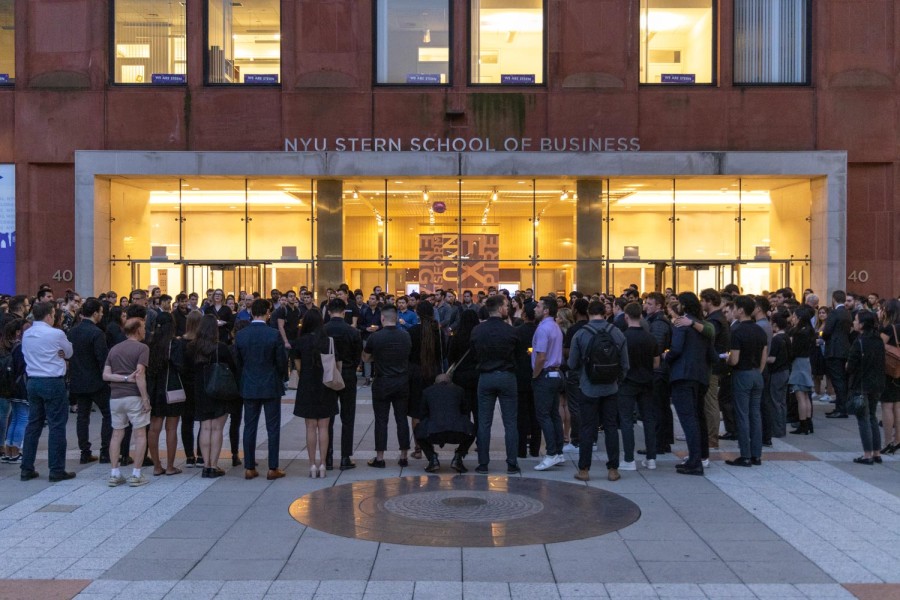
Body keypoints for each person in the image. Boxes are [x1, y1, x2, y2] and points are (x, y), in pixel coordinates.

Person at [568, 300, 629, 482]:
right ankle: (612, 469)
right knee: (610, 427)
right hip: (611, 387)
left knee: (587, 427)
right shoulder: (616, 332)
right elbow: (625, 364)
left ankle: (584, 469)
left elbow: (572, 363)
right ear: (605, 312)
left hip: (588, 387)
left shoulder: (580, 334)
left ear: (588, 312)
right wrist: (617, 380)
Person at [20, 302, 75, 482]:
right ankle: (56, 469)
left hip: (33, 380)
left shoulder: (27, 333)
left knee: (33, 424)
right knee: (56, 425)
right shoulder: (56, 333)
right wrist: (60, 353)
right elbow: (68, 352)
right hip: (52, 380)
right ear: (49, 315)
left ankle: (26, 467)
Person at [234, 299, 287, 480]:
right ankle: (273, 467)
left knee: (249, 426)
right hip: (271, 384)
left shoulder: (241, 335)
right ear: (267, 313)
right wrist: (281, 377)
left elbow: (238, 361)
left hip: (249, 384)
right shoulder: (273, 334)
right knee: (273, 427)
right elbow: (281, 361)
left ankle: (249, 467)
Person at [470, 294, 522, 475]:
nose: (508, 309)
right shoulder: (511, 330)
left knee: (484, 422)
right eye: (506, 306)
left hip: (485, 376)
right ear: (500, 308)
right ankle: (512, 463)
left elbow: (474, 353)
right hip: (507, 376)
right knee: (510, 422)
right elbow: (519, 355)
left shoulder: (477, 330)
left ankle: (483, 463)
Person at [666, 294, 714, 476]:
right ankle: (699, 457)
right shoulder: (704, 327)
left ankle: (695, 462)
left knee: (688, 420)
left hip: (683, 376)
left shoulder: (681, 323)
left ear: (684, 305)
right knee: (696, 417)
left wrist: (666, 357)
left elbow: (676, 349)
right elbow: (711, 352)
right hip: (700, 376)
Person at [184, 315, 236, 478]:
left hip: (200, 390)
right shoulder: (221, 348)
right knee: (217, 429)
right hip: (219, 389)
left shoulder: (192, 347)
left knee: (205, 427)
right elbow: (233, 368)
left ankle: (205, 464)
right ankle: (213, 464)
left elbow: (186, 369)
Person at [102, 317, 151, 487]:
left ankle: (114, 473)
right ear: (137, 330)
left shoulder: (114, 349)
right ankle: (136, 474)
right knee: (139, 434)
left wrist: (123, 378)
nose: (145, 330)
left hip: (115, 397)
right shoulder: (142, 348)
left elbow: (106, 375)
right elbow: (140, 374)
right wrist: (145, 398)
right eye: (143, 327)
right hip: (134, 396)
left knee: (117, 434)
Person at [362, 305, 412, 468]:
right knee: (402, 419)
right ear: (396, 318)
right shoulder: (405, 336)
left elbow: (366, 358)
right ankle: (404, 455)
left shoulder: (376, 337)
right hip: (402, 381)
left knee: (381, 420)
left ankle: (380, 457)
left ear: (382, 318)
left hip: (382, 381)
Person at [66, 298, 112, 464]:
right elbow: (103, 359)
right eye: (100, 312)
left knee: (82, 417)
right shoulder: (97, 333)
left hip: (78, 380)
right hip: (97, 382)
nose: (101, 315)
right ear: (94, 313)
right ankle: (105, 451)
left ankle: (84, 452)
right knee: (108, 414)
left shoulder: (72, 332)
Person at [293, 308, 337, 478]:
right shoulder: (328, 341)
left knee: (310, 427)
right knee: (324, 426)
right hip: (326, 385)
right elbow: (336, 365)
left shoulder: (301, 341)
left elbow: (298, 367)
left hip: (307, 385)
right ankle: (323, 464)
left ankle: (312, 465)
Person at [726, 295, 769, 468]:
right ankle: (756, 455)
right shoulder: (759, 329)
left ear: (741, 310)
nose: (733, 310)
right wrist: (758, 371)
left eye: (735, 307)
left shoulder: (737, 331)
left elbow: (734, 359)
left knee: (742, 416)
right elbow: (764, 354)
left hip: (742, 374)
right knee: (755, 415)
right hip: (756, 374)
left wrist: (726, 360)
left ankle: (745, 455)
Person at [618, 302, 659, 470]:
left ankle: (629, 459)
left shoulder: (623, 337)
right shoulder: (650, 337)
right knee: (649, 419)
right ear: (641, 316)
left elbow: (620, 362)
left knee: (627, 421)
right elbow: (656, 363)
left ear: (626, 316)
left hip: (627, 382)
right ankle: (651, 459)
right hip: (647, 381)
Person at [324, 298, 363, 470]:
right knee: (348, 417)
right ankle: (345, 457)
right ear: (344, 311)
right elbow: (357, 356)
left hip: (328, 376)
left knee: (327, 419)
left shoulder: (323, 330)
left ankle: (328, 456)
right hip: (347, 374)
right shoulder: (352, 332)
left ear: (329, 310)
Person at [145, 312, 183, 476]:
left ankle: (156, 466)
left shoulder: (150, 343)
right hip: (171, 388)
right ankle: (170, 466)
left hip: (153, 389)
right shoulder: (174, 344)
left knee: (154, 428)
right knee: (171, 428)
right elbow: (180, 365)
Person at [414, 374, 476, 473]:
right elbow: (465, 411)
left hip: (434, 433)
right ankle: (458, 457)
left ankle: (432, 458)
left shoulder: (427, 391)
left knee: (418, 431)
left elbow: (422, 414)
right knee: (472, 430)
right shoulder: (459, 390)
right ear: (451, 382)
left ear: (435, 383)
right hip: (457, 432)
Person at [531, 296, 566, 471]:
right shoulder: (555, 327)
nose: (535, 308)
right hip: (555, 374)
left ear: (545, 310)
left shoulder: (544, 329)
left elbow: (541, 356)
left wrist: (535, 374)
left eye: (538, 306)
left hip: (545, 375)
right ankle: (558, 452)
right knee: (553, 414)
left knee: (544, 415)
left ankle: (551, 453)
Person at [847, 310, 886, 465]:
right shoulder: (878, 340)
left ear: (862, 325)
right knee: (872, 417)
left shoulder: (859, 341)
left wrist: (848, 366)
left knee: (863, 419)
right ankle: (877, 452)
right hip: (877, 383)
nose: (854, 322)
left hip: (861, 384)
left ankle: (867, 454)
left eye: (856, 320)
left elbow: (851, 366)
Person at [407, 301, 444, 461]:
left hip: (415, 374)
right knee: (430, 410)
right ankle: (430, 444)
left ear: (417, 314)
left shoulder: (412, 331)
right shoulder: (438, 332)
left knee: (416, 412)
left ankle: (418, 447)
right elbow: (443, 356)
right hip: (433, 373)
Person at [179, 311, 204, 468]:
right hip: (200, 384)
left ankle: (189, 456)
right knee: (203, 421)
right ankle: (201, 455)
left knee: (186, 421)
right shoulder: (202, 342)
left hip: (185, 385)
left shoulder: (180, 342)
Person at [0, 319, 27, 465]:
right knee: (22, 418)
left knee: (15, 418)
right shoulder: (20, 347)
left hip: (10, 388)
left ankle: (9, 450)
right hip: (20, 387)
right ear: (18, 332)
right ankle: (15, 450)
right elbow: (23, 368)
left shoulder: (7, 346)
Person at [823, 290, 853, 418]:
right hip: (844, 349)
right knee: (842, 380)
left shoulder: (834, 313)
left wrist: (823, 338)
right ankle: (841, 407)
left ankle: (841, 409)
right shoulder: (847, 313)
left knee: (837, 380)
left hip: (834, 350)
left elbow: (827, 331)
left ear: (833, 299)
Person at [788, 305, 817, 435]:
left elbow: (794, 351)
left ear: (799, 318)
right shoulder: (810, 331)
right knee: (806, 395)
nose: (792, 319)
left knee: (800, 396)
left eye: (794, 317)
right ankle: (808, 422)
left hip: (799, 363)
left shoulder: (799, 333)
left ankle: (803, 423)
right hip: (806, 362)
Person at [879, 299, 900, 453]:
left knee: (887, 406)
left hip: (890, 371)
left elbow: (879, 347)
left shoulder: (889, 329)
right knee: (898, 406)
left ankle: (888, 442)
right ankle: (898, 440)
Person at [767, 312, 792, 438]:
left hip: (777, 372)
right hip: (785, 371)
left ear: (775, 325)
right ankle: (781, 428)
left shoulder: (776, 339)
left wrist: (762, 357)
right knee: (782, 402)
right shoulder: (786, 337)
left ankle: (776, 430)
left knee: (775, 401)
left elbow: (772, 359)